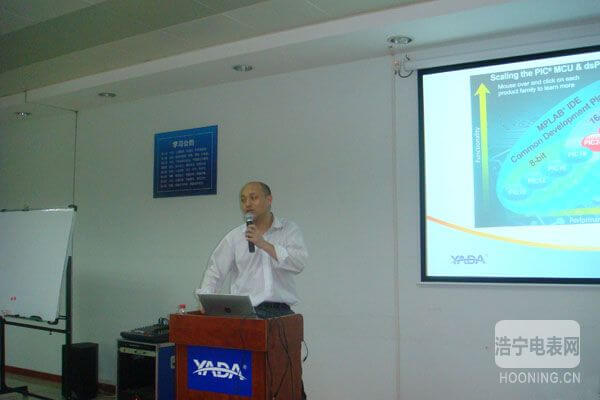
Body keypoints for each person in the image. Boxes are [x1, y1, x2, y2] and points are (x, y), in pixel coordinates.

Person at [196, 181, 308, 319]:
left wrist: (263, 244)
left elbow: (298, 263)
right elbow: (215, 272)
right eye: (243, 200)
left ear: (269, 200)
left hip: (281, 313)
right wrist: (206, 300)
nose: (247, 204)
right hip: (245, 313)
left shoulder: (288, 230)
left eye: (253, 198)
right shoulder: (235, 237)